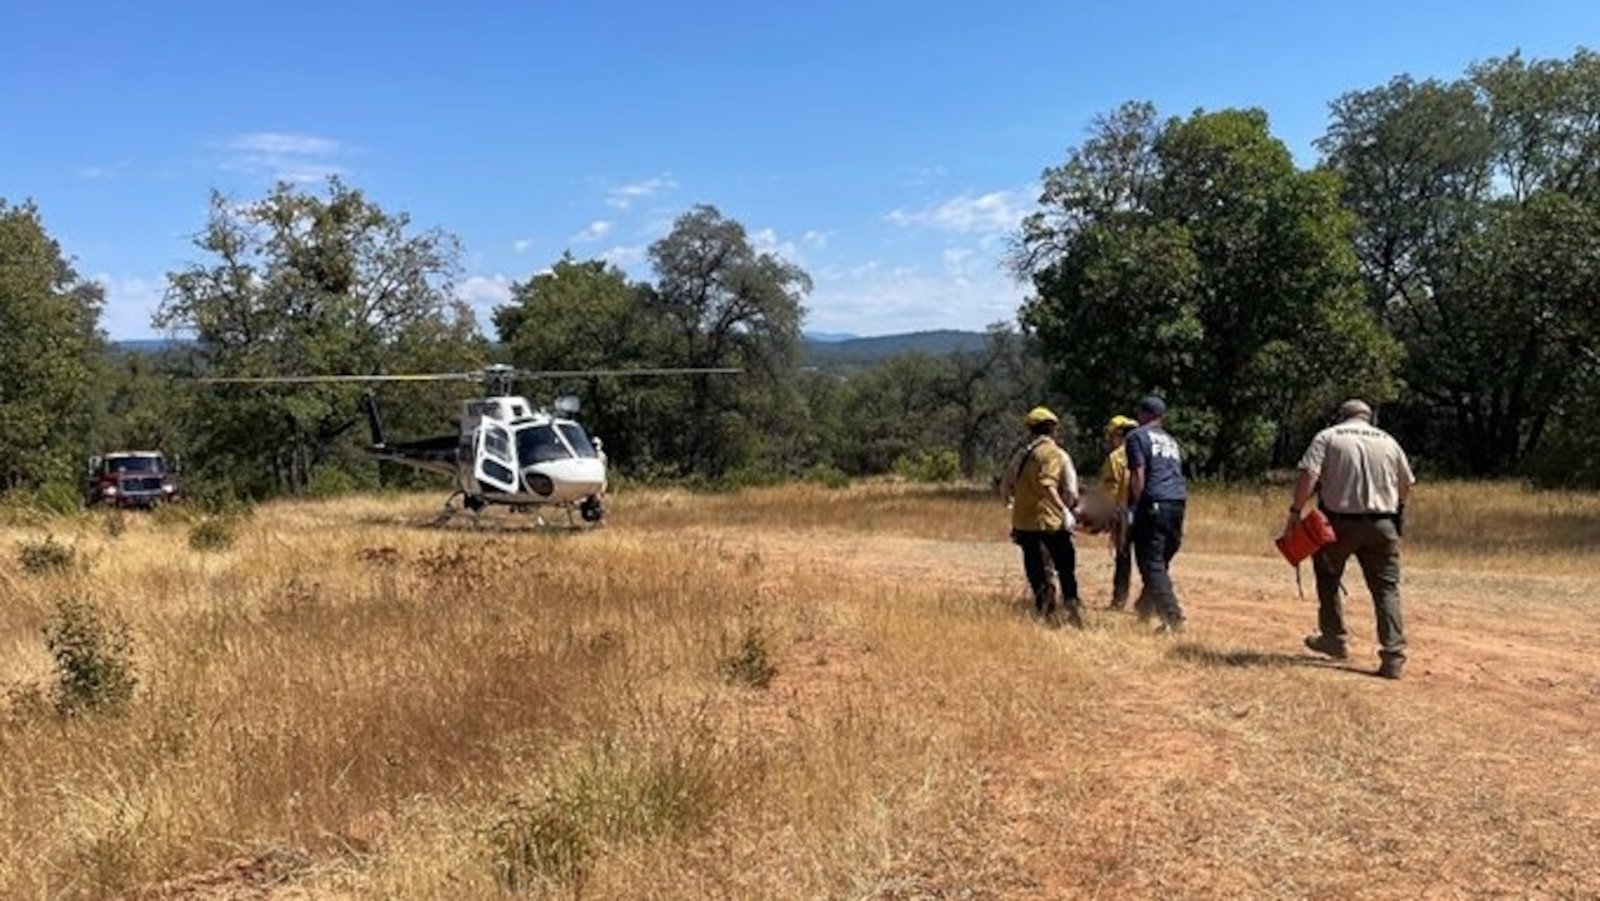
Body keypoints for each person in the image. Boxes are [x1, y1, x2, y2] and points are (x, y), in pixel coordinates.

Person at [1287, 399, 1415, 679]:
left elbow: (1310, 474)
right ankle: (1393, 654)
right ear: (1370, 418)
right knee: (1386, 589)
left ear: (1340, 416)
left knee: (1328, 576)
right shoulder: (1389, 441)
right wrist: (1398, 511)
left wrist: (1296, 511)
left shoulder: (1328, 436)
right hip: (1383, 524)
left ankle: (1334, 639)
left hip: (1338, 524)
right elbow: (1406, 484)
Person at [1009, 406, 1083, 628]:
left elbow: (1007, 484)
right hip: (1049, 521)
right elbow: (1056, 487)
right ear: (1054, 429)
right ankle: (1072, 610)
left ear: (1029, 429)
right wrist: (1065, 510)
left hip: (1023, 521)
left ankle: (1044, 613)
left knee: (1035, 569)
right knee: (1065, 567)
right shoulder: (1054, 453)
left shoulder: (1022, 454)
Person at [1125, 395, 1187, 632]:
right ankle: (1145, 606)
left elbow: (1138, 475)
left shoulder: (1136, 437)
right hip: (1178, 503)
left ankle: (1173, 618)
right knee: (1161, 560)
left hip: (1153, 502)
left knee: (1151, 563)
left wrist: (1133, 507)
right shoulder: (1171, 441)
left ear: (1143, 414)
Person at [1098, 415, 1139, 610]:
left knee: (1123, 557)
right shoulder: (1145, 453)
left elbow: (1110, 490)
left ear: (1117, 435)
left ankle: (1119, 600)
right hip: (1147, 511)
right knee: (1149, 559)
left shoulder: (1116, 458)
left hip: (1124, 512)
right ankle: (1150, 601)